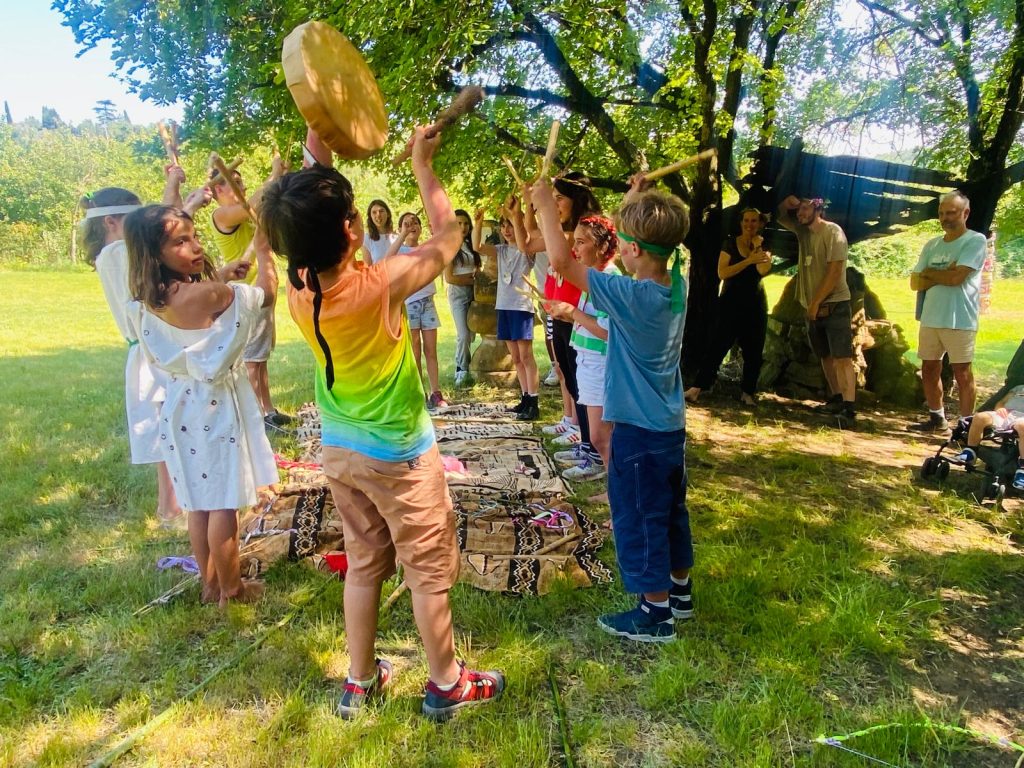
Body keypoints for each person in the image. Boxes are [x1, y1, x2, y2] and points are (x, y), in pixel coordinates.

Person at [260, 125, 505, 720]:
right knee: (427, 570)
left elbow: (297, 212)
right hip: (399, 455)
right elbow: (448, 238)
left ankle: (360, 679)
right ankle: (446, 682)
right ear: (350, 230)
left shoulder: (299, 286)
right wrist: (424, 164)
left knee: (365, 561)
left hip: (340, 452)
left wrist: (317, 134)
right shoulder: (379, 286)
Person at [533, 174, 693, 643]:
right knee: (670, 514)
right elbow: (636, 250)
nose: (620, 246)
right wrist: (636, 200)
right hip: (668, 428)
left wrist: (545, 204)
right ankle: (678, 595)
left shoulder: (633, 297)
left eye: (624, 242)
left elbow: (561, 262)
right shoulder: (674, 280)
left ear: (635, 251)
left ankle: (654, 614)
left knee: (639, 518)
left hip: (638, 433)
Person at [124, 205, 277, 607]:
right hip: (213, 408)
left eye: (194, 236)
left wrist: (221, 277)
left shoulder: (147, 297)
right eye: (181, 241)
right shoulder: (206, 294)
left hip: (178, 407)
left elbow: (195, 310)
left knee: (198, 503)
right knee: (223, 504)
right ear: (155, 254)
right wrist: (263, 251)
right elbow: (267, 295)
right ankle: (232, 589)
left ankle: (209, 584)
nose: (195, 246)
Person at [82, 172, 212, 525]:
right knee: (168, 429)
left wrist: (177, 191)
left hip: (156, 348)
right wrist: (189, 205)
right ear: (110, 222)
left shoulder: (120, 251)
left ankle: (172, 503)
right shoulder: (115, 253)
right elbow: (159, 239)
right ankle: (171, 506)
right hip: (151, 353)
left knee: (171, 427)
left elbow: (162, 232)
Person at [516, 173, 602, 458]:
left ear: (575, 199)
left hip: (579, 315)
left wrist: (541, 210)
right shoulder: (568, 229)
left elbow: (560, 260)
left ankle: (590, 447)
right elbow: (528, 244)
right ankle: (586, 444)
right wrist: (522, 213)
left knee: (583, 385)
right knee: (572, 379)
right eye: (552, 199)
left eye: (559, 198)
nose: (555, 204)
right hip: (565, 315)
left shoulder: (586, 228)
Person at [209, 159, 291, 430]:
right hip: (245, 294)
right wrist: (273, 175)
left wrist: (279, 180)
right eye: (232, 182)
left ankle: (268, 410)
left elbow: (262, 206)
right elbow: (252, 203)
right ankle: (257, 417)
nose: (240, 185)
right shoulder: (221, 216)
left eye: (240, 180)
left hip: (261, 291)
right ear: (218, 191)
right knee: (252, 360)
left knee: (261, 356)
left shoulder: (248, 212)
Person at [545, 214, 620, 482]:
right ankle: (614, 489)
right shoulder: (595, 278)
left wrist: (572, 313)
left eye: (580, 242)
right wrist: (567, 315)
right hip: (589, 362)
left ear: (601, 247)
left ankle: (616, 492)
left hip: (600, 364)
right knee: (599, 436)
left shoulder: (609, 279)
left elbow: (606, 331)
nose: (574, 250)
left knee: (603, 436)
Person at [908, 191, 988, 433]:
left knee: (962, 373)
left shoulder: (975, 241)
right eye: (941, 213)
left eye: (951, 212)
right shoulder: (932, 244)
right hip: (931, 317)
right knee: (929, 369)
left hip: (959, 318)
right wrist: (940, 274)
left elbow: (956, 278)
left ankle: (965, 425)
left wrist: (930, 273)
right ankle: (936, 418)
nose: (945, 218)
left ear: (965, 213)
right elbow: (914, 282)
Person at [778, 195, 856, 425]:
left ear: (818, 209)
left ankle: (850, 410)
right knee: (825, 356)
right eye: (799, 209)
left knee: (842, 357)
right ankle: (836, 399)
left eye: (804, 209)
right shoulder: (803, 232)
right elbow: (780, 216)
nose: (800, 213)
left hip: (835, 305)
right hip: (812, 308)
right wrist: (786, 204)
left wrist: (815, 303)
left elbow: (834, 272)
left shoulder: (834, 233)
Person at [685, 208, 772, 406]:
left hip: (755, 303)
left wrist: (757, 249)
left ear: (760, 224)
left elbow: (763, 269)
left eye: (754, 221)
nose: (750, 225)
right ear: (741, 223)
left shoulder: (764, 247)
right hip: (730, 302)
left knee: (754, 349)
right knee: (717, 345)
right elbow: (723, 272)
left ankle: (748, 392)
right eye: (746, 221)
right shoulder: (730, 244)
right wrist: (748, 260)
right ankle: (697, 388)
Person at [474, 201, 539, 419]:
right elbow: (477, 247)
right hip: (504, 306)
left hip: (521, 307)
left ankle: (534, 401)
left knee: (526, 356)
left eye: (510, 225)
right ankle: (524, 398)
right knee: (516, 358)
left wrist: (517, 215)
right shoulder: (501, 250)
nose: (506, 230)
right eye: (503, 226)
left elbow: (523, 242)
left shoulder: (526, 249)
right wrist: (479, 222)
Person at [384, 212, 448, 409]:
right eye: (407, 223)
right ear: (400, 228)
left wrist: (434, 232)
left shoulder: (426, 247)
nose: (412, 226)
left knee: (431, 350)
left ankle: (436, 393)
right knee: (415, 350)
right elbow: (387, 259)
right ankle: (419, 392)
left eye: (415, 223)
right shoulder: (400, 249)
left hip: (428, 302)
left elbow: (442, 250)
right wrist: (402, 235)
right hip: (409, 303)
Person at [954, 385, 1024, 490]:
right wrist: (1000, 408)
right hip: (1006, 414)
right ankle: (971, 451)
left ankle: (1022, 469)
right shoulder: (1019, 388)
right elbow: (1001, 402)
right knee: (979, 417)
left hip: (1022, 418)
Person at [446, 209, 481, 387]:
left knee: (472, 334)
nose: (463, 227)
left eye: (466, 223)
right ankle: (461, 369)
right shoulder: (449, 246)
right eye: (459, 223)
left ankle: (470, 365)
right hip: (458, 295)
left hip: (473, 294)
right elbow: (449, 277)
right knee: (463, 334)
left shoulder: (471, 245)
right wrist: (471, 279)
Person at [362, 199, 396, 265]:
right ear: (370, 216)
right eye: (374, 212)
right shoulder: (367, 239)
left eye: (381, 211)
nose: (378, 215)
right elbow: (368, 268)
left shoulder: (397, 237)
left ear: (388, 214)